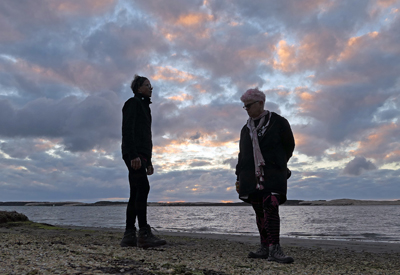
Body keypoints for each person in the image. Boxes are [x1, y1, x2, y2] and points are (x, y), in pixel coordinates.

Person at [235, 88, 295, 263]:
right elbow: (242, 154)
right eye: (244, 106)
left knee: (271, 206)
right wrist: (238, 176)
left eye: (248, 106)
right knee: (259, 210)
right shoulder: (245, 129)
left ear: (260, 103)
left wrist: (280, 163)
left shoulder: (278, 122)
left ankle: (275, 249)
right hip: (250, 176)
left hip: (273, 173)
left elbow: (289, 146)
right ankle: (264, 247)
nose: (246, 109)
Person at [120, 75, 166, 249]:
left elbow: (147, 135)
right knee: (143, 188)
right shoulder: (133, 103)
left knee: (135, 191)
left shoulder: (145, 107)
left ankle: (129, 235)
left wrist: (149, 161)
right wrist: (133, 155)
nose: (151, 88)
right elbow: (127, 129)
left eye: (151, 85)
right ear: (139, 88)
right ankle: (144, 234)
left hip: (142, 155)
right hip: (134, 153)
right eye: (148, 85)